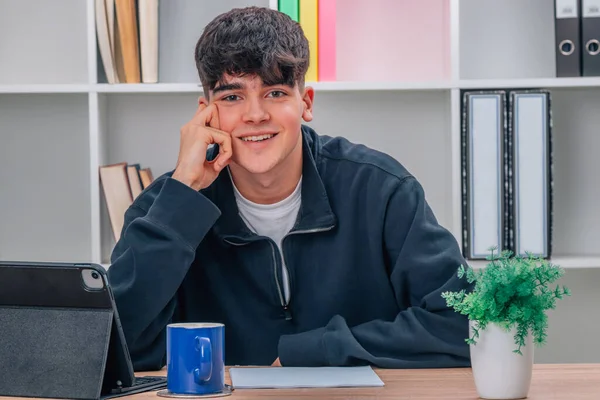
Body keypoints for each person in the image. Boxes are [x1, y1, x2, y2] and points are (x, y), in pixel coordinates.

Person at [107, 5, 473, 371]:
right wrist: (182, 195)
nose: (255, 114)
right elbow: (117, 348)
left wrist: (319, 351)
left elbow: (463, 324)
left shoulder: (382, 190)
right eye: (232, 97)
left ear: (306, 102)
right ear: (206, 113)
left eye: (275, 93)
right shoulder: (163, 206)